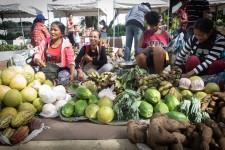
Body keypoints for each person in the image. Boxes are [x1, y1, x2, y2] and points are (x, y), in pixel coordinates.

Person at [33, 21, 75, 86]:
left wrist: (72, 74)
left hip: (62, 69)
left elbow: (71, 60)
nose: (52, 32)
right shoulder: (45, 41)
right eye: (51, 29)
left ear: (62, 33)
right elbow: (38, 53)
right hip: (48, 68)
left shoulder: (66, 44)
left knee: (64, 80)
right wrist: (38, 60)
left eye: (55, 30)